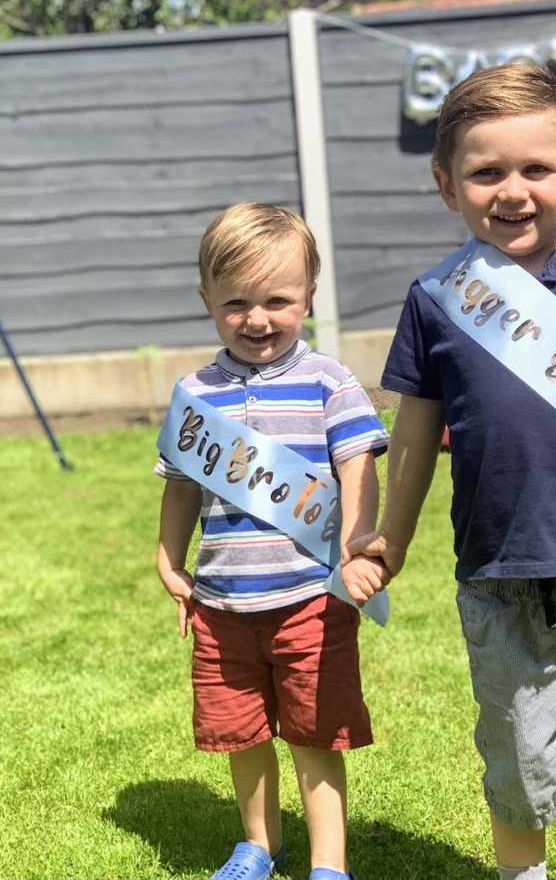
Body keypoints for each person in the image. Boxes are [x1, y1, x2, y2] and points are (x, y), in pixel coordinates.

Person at [344, 64, 556, 880]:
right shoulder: (437, 298)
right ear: (446, 185)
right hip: (494, 577)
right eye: (485, 171)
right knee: (516, 766)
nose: (512, 191)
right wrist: (386, 538)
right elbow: (417, 432)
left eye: (536, 168)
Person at [156, 202, 388, 880]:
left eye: (278, 300)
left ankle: (328, 863)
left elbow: (357, 468)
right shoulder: (193, 394)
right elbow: (179, 488)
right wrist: (168, 558)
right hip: (224, 604)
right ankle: (258, 844)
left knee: (317, 733)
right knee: (242, 732)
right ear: (207, 301)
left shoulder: (329, 383)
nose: (258, 318)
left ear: (309, 297)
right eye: (236, 303)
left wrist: (354, 548)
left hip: (311, 599)